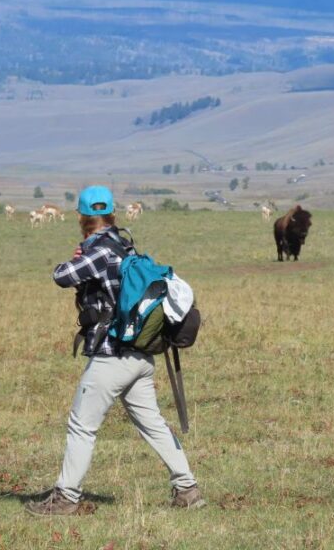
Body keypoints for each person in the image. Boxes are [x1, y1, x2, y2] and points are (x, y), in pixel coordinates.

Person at [25, 185, 204, 516]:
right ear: (111, 213)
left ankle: (65, 498)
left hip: (112, 354)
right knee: (151, 423)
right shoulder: (125, 245)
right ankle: (187, 489)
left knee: (82, 425)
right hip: (140, 355)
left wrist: (75, 258)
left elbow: (61, 276)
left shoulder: (99, 250)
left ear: (82, 216)